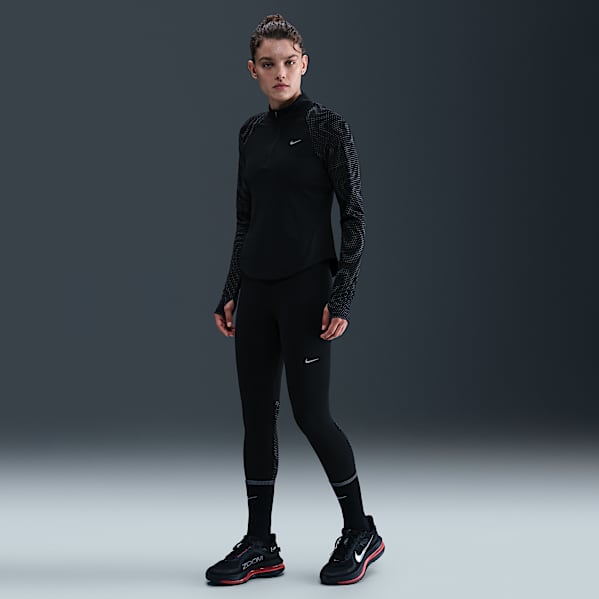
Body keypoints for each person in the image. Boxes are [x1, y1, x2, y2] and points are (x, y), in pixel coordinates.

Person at [206, 14, 384, 586]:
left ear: (304, 64)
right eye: (268, 64)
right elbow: (245, 220)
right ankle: (261, 544)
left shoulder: (328, 127)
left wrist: (343, 292)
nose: (279, 72)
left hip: (307, 289)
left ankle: (361, 530)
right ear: (252, 70)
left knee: (311, 415)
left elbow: (354, 215)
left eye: (289, 62)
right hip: (257, 292)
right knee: (257, 418)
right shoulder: (250, 134)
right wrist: (231, 290)